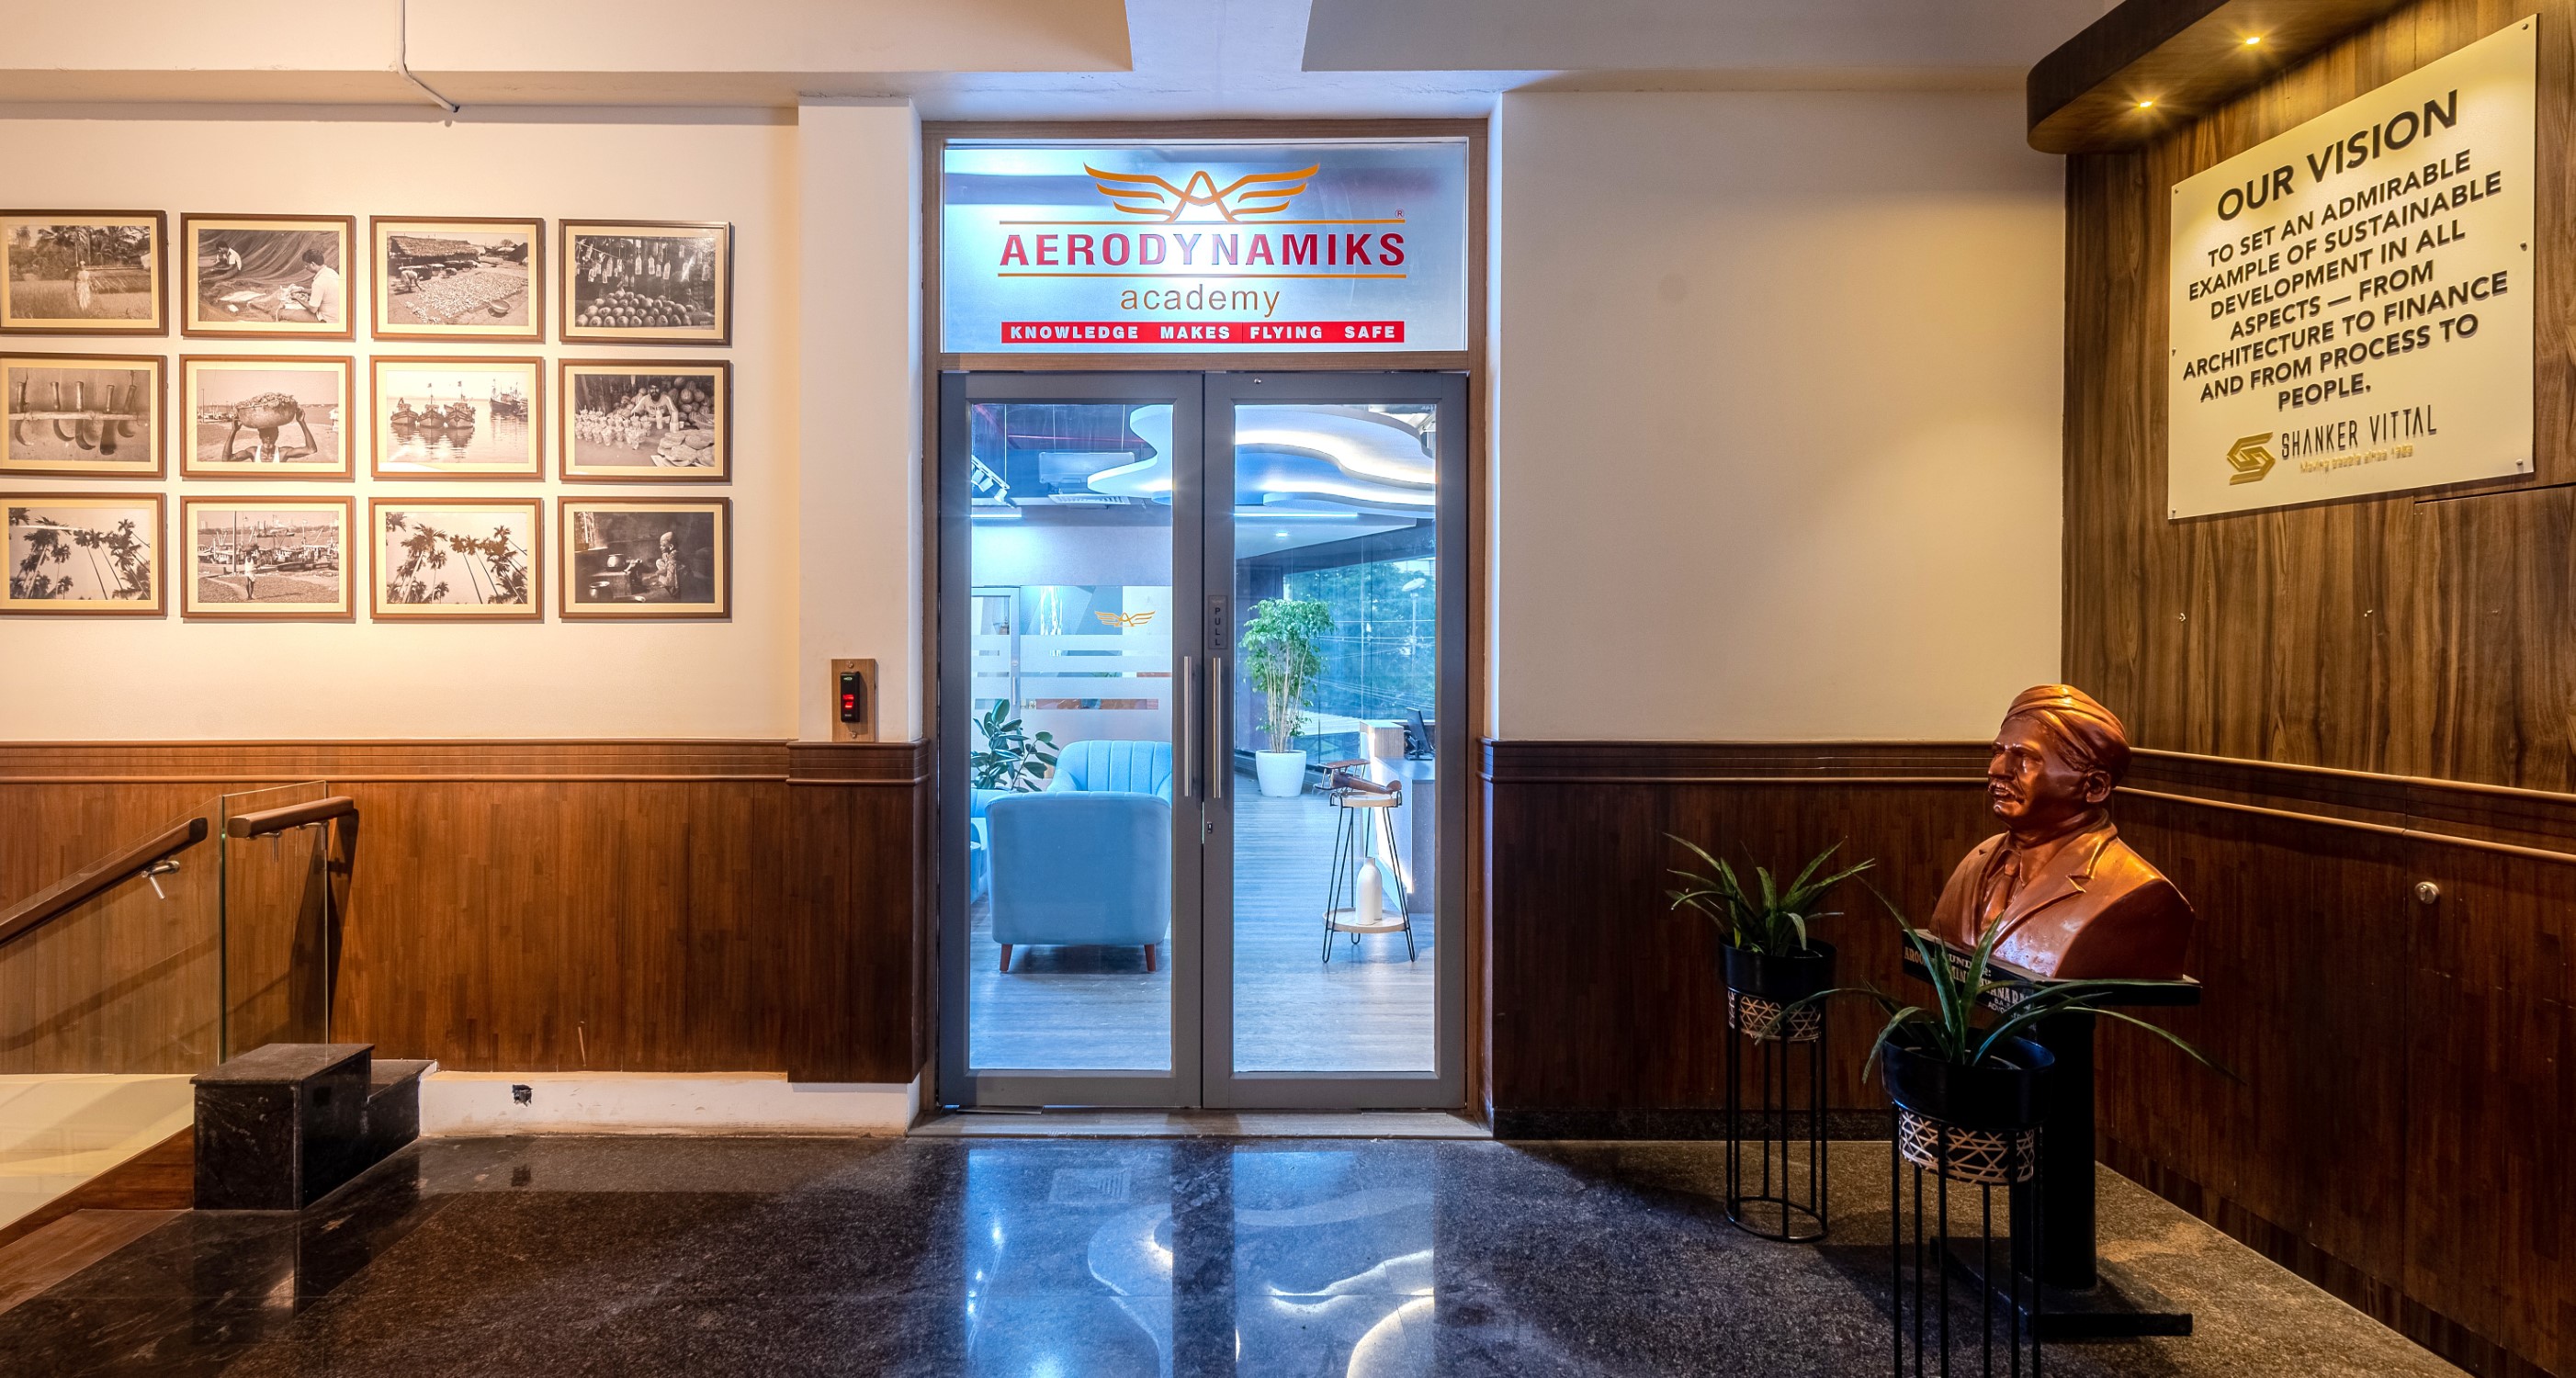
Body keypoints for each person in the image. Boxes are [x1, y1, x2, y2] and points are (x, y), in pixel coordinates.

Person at [1928, 684, 2194, 979]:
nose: (1997, 769)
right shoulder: (1976, 862)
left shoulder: (2142, 893)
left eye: (2025, 757)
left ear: (2095, 787)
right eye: (1998, 752)